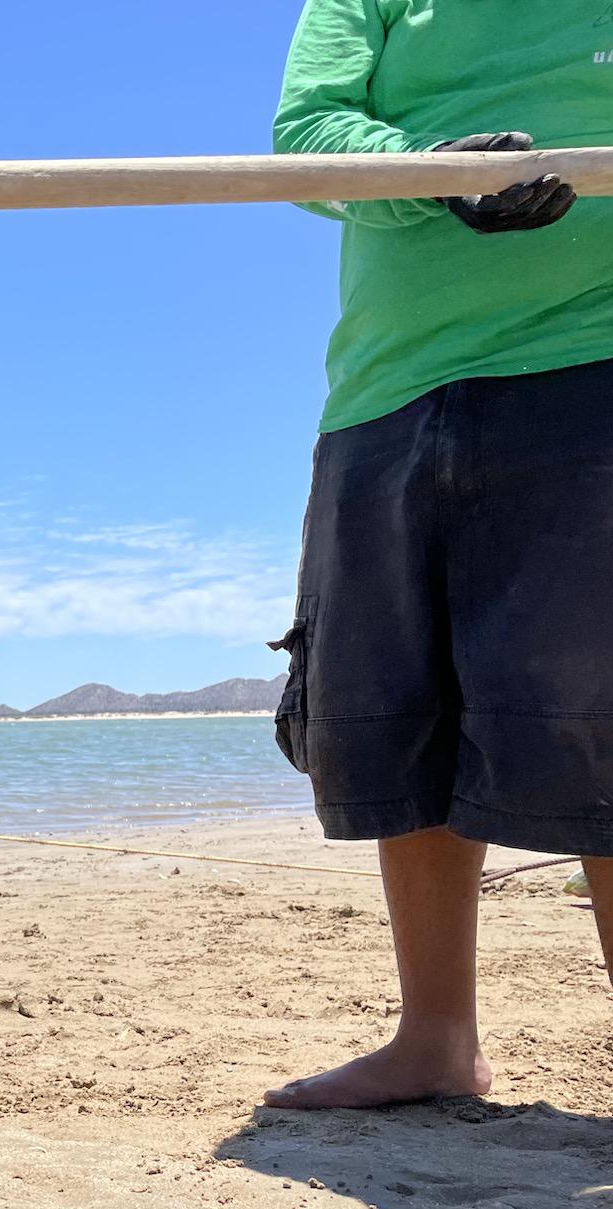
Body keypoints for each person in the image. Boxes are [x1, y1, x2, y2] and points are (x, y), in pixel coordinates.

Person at [263, 0, 613, 1110]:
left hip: (589, 360)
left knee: (596, 715)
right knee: (395, 711)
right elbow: (304, 138)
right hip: (384, 385)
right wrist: (431, 172)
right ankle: (434, 1039)